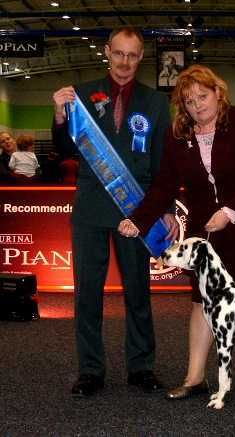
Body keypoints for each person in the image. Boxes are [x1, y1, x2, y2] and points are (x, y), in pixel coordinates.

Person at [118, 64, 235, 400]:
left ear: (218, 92)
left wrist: (230, 212)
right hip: (205, 232)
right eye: (189, 101)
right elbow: (164, 185)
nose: (197, 106)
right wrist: (139, 219)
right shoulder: (177, 135)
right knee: (202, 301)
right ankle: (194, 378)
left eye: (202, 97)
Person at [52, 26, 173, 397]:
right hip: (91, 207)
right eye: (119, 53)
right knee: (87, 293)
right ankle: (90, 370)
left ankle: (141, 366)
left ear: (141, 57)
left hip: (135, 209)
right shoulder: (81, 94)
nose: (124, 62)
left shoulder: (156, 102)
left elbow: (163, 160)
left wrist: (164, 208)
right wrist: (59, 115)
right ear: (106, 51)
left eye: (132, 55)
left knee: (138, 291)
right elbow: (66, 149)